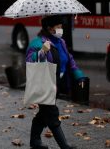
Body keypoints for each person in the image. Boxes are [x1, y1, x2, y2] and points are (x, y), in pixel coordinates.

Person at [26, 15, 85, 149]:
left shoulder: (61, 42)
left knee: (43, 115)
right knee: (52, 115)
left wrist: (79, 76)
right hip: (44, 86)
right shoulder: (37, 43)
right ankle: (64, 146)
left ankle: (35, 142)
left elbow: (70, 60)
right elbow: (29, 61)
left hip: (56, 85)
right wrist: (42, 51)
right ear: (49, 28)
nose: (61, 29)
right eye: (58, 27)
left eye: (61, 27)